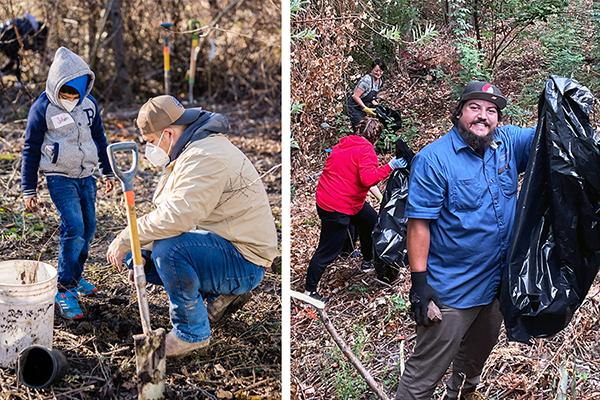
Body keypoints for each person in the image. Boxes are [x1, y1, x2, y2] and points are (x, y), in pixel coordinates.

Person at [106, 95, 278, 358]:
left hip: (245, 261)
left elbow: (178, 217)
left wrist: (128, 236)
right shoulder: (190, 150)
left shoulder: (204, 156)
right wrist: (140, 250)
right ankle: (218, 297)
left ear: (168, 133)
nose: (151, 150)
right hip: (223, 244)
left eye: (152, 142)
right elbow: (171, 213)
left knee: (170, 251)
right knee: (141, 255)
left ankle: (191, 334)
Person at [395, 81, 536, 400]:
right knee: (422, 375)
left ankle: (462, 394)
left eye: (492, 110)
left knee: (473, 361)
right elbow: (419, 224)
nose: (483, 116)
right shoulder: (435, 159)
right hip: (452, 292)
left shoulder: (509, 142)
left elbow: (550, 138)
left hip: (496, 286)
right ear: (458, 113)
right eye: (475, 107)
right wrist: (419, 284)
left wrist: (558, 102)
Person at [21, 46, 114, 319]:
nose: (72, 99)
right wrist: (29, 188)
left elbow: (100, 138)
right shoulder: (43, 108)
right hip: (59, 177)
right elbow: (30, 147)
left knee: (89, 227)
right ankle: (64, 288)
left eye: (77, 94)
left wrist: (108, 171)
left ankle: (76, 276)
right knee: (73, 226)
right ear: (55, 86)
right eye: (66, 94)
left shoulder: (89, 105)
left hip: (87, 175)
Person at [304, 117, 407, 302]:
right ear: (375, 137)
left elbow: (356, 178)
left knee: (370, 220)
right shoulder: (366, 150)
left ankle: (367, 260)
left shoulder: (345, 143)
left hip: (336, 199)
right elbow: (368, 179)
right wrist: (390, 166)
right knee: (328, 249)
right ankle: (309, 291)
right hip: (337, 207)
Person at [347, 59, 386, 128]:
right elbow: (355, 96)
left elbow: (372, 97)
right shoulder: (367, 80)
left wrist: (377, 106)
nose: (379, 73)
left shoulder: (380, 81)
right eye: (376, 71)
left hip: (364, 106)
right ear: (372, 69)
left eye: (381, 71)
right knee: (361, 127)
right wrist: (365, 108)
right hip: (354, 107)